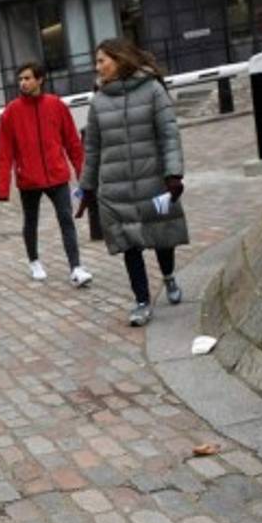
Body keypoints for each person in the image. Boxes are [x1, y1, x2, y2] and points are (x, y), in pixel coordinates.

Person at [78, 37, 188, 327]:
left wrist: (173, 174)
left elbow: (169, 134)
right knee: (129, 244)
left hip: (154, 182)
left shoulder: (153, 90)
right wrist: (87, 188)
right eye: (97, 61)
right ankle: (141, 301)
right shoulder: (99, 101)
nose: (97, 66)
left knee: (163, 236)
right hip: (116, 188)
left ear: (120, 59)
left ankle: (168, 276)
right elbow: (92, 149)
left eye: (102, 60)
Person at [0, 60, 92, 287]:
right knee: (31, 222)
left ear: (40, 79)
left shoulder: (56, 105)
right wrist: (2, 188)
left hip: (57, 176)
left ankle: (76, 267)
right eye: (20, 79)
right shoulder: (11, 112)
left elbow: (73, 144)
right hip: (29, 179)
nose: (23, 83)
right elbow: (4, 152)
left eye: (28, 78)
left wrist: (82, 175)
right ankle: (34, 260)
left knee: (66, 219)